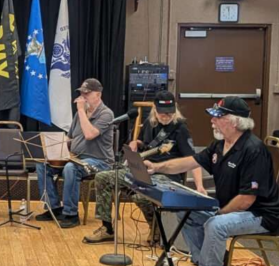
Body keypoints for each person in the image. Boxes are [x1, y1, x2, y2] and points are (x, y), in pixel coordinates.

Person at [145, 96, 279, 266]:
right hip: (230, 208)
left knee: (215, 224)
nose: (212, 121)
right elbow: (189, 162)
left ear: (234, 122)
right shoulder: (219, 145)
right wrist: (156, 167)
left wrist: (218, 214)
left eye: (218, 117)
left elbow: (246, 200)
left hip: (261, 214)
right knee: (185, 211)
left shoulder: (254, 150)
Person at [83, 91, 207, 244]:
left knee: (141, 195)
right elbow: (144, 143)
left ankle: (156, 228)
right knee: (103, 177)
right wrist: (136, 143)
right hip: (144, 170)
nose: (166, 116)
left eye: (169, 113)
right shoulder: (150, 122)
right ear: (155, 109)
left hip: (166, 174)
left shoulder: (180, 128)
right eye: (162, 113)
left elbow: (193, 160)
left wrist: (199, 186)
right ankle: (107, 228)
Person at [35, 78, 114, 229]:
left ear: (98, 94)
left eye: (87, 94)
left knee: (71, 168)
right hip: (75, 157)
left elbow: (90, 134)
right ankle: (54, 208)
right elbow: (70, 137)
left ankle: (71, 214)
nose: (83, 97)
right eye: (82, 93)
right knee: (42, 165)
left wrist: (81, 110)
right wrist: (54, 149)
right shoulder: (80, 115)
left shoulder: (106, 114)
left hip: (99, 161)